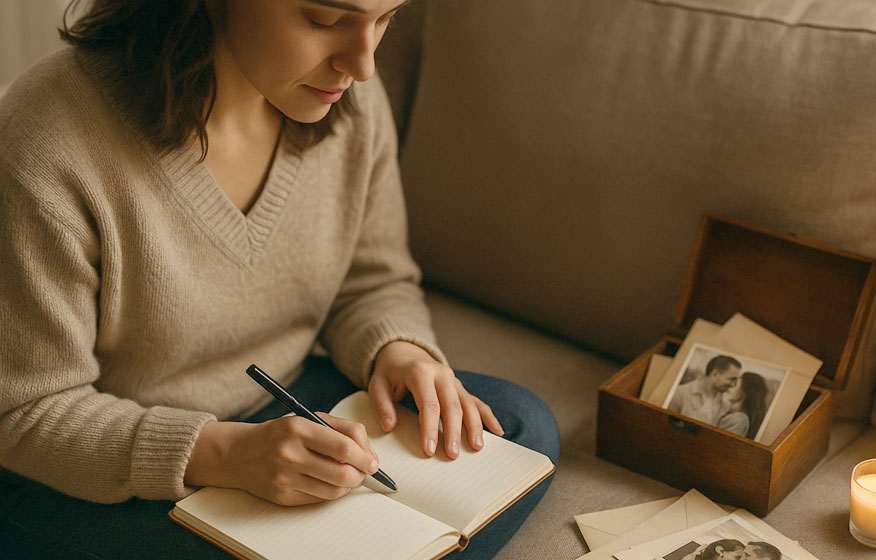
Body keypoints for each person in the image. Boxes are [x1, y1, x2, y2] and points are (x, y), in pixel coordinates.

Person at [0, 1, 559, 558]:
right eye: (324, 20)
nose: (363, 65)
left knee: (515, 425)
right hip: (95, 475)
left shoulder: (344, 97)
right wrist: (223, 455)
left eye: (386, 18)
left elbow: (372, 280)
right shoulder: (45, 142)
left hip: (283, 406)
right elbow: (25, 414)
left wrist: (400, 351)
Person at [668, 354, 742, 425]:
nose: (733, 385)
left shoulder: (726, 404)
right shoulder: (679, 393)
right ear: (715, 374)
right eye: (732, 379)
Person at [718, 372, 770, 439]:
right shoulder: (730, 412)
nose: (729, 386)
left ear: (745, 391)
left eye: (735, 384)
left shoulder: (739, 420)